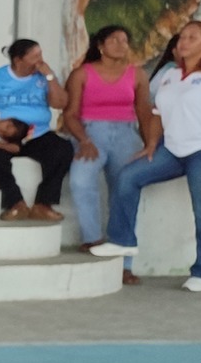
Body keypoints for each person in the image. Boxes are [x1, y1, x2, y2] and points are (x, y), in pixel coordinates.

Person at [91, 18, 201, 292]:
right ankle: (122, 240)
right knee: (128, 177)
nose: (183, 42)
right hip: (172, 149)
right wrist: (151, 144)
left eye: (192, 38)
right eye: (182, 37)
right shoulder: (170, 75)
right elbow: (157, 114)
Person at [64, 24, 157, 279]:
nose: (121, 44)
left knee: (125, 193)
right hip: (91, 133)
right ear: (100, 45)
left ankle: (124, 264)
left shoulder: (137, 74)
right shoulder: (82, 74)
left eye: (125, 40)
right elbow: (70, 114)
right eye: (114, 40)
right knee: (80, 181)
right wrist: (84, 140)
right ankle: (92, 239)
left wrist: (149, 144)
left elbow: (144, 112)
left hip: (126, 134)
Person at [0, 40, 74, 222]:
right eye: (35, 57)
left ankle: (43, 204)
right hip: (2, 135)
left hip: (36, 134)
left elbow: (60, 103)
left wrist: (50, 76)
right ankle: (15, 203)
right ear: (18, 60)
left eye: (40, 55)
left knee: (62, 149)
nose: (40, 60)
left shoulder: (43, 77)